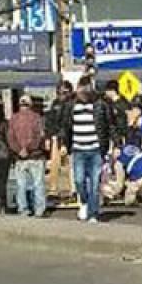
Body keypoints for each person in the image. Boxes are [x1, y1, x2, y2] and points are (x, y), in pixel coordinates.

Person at [60, 75, 112, 224]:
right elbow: (66, 127)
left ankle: (93, 213)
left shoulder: (100, 105)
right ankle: (84, 201)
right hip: (78, 149)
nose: (82, 95)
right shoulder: (71, 106)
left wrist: (114, 144)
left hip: (95, 149)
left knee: (95, 184)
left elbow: (109, 125)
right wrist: (64, 144)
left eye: (85, 93)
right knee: (79, 180)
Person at [8, 94, 47, 217]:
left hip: (20, 158)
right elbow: (39, 137)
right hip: (35, 156)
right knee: (38, 184)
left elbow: (10, 138)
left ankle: (23, 208)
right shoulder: (37, 118)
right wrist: (29, 148)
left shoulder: (13, 119)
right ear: (31, 105)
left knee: (21, 185)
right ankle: (39, 209)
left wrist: (19, 150)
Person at [45, 80, 74, 198]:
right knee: (54, 165)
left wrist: (64, 142)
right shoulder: (55, 104)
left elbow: (67, 124)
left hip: (70, 138)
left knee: (69, 166)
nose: (61, 95)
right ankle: (53, 189)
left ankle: (72, 190)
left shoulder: (72, 104)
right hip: (56, 137)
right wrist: (48, 137)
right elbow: (50, 122)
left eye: (64, 92)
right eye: (59, 92)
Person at [104, 80, 130, 152]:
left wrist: (119, 138)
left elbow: (124, 121)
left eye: (106, 90)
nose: (105, 92)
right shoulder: (110, 103)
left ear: (112, 91)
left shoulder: (121, 104)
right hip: (114, 137)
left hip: (120, 138)